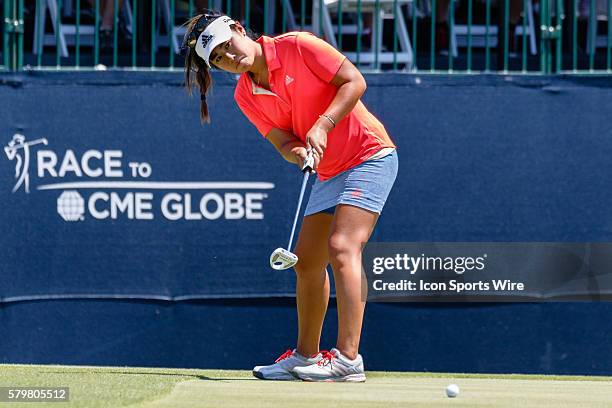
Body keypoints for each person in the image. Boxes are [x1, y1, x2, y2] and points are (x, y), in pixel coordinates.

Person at [181, 10, 398, 382]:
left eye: (227, 46)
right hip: (329, 170)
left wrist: (324, 124)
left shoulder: (298, 45)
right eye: (217, 58)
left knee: (342, 246)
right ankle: (305, 356)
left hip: (369, 155)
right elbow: (282, 140)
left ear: (238, 29)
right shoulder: (245, 94)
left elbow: (354, 81)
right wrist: (298, 152)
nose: (229, 58)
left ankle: (348, 360)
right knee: (307, 263)